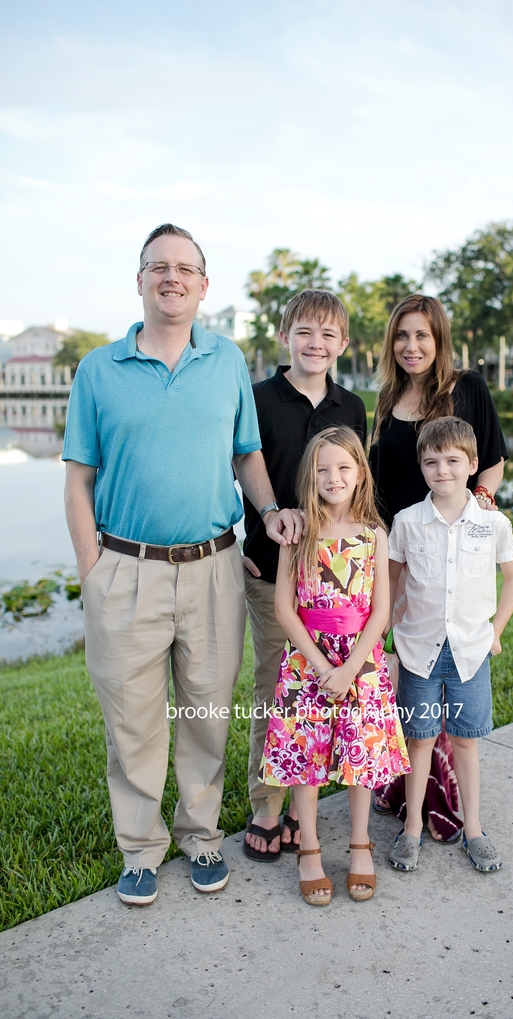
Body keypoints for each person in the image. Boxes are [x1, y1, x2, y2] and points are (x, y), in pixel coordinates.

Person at [63, 223, 300, 906]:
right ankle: (139, 849)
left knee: (206, 710)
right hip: (126, 570)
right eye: (157, 266)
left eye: (184, 267)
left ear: (203, 284)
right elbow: (78, 478)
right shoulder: (98, 370)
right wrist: (91, 568)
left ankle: (200, 836)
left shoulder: (225, 361)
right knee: (133, 719)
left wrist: (270, 509)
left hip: (213, 566)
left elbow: (246, 454)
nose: (171, 277)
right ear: (139, 280)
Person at [369, 294, 507, 842]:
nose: (412, 346)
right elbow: (375, 481)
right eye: (402, 336)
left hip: (451, 548)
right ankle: (408, 792)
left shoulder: (467, 387)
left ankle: (449, 800)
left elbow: (491, 458)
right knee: (412, 667)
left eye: (422, 335)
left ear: (439, 338)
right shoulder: (385, 398)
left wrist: (479, 505)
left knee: (452, 668)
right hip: (400, 549)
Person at [259, 426, 410, 904]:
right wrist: (323, 665)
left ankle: (360, 845)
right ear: (311, 475)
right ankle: (309, 849)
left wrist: (348, 670)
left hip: (361, 664)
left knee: (359, 757)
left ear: (360, 473)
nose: (333, 477)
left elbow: (381, 610)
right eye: (323, 469)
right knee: (306, 757)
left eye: (344, 467)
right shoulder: (298, 532)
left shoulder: (373, 534)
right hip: (307, 662)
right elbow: (284, 608)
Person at [241, 290, 367, 862]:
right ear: (285, 335)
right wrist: (255, 528)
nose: (316, 344)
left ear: (342, 344)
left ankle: (302, 807)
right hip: (273, 571)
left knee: (320, 696)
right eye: (305, 332)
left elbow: (356, 487)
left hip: (337, 585)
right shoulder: (259, 397)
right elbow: (237, 468)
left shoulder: (352, 406)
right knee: (276, 687)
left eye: (328, 335)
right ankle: (267, 804)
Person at [387, 417, 513, 872]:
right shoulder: (407, 522)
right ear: (421, 467)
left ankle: (474, 829)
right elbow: (390, 583)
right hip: (417, 652)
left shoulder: (492, 523)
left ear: (472, 464)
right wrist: (386, 634)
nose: (441, 470)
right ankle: (410, 832)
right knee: (419, 739)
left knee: (466, 742)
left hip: (471, 653)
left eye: (452, 461)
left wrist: (496, 630)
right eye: (431, 462)